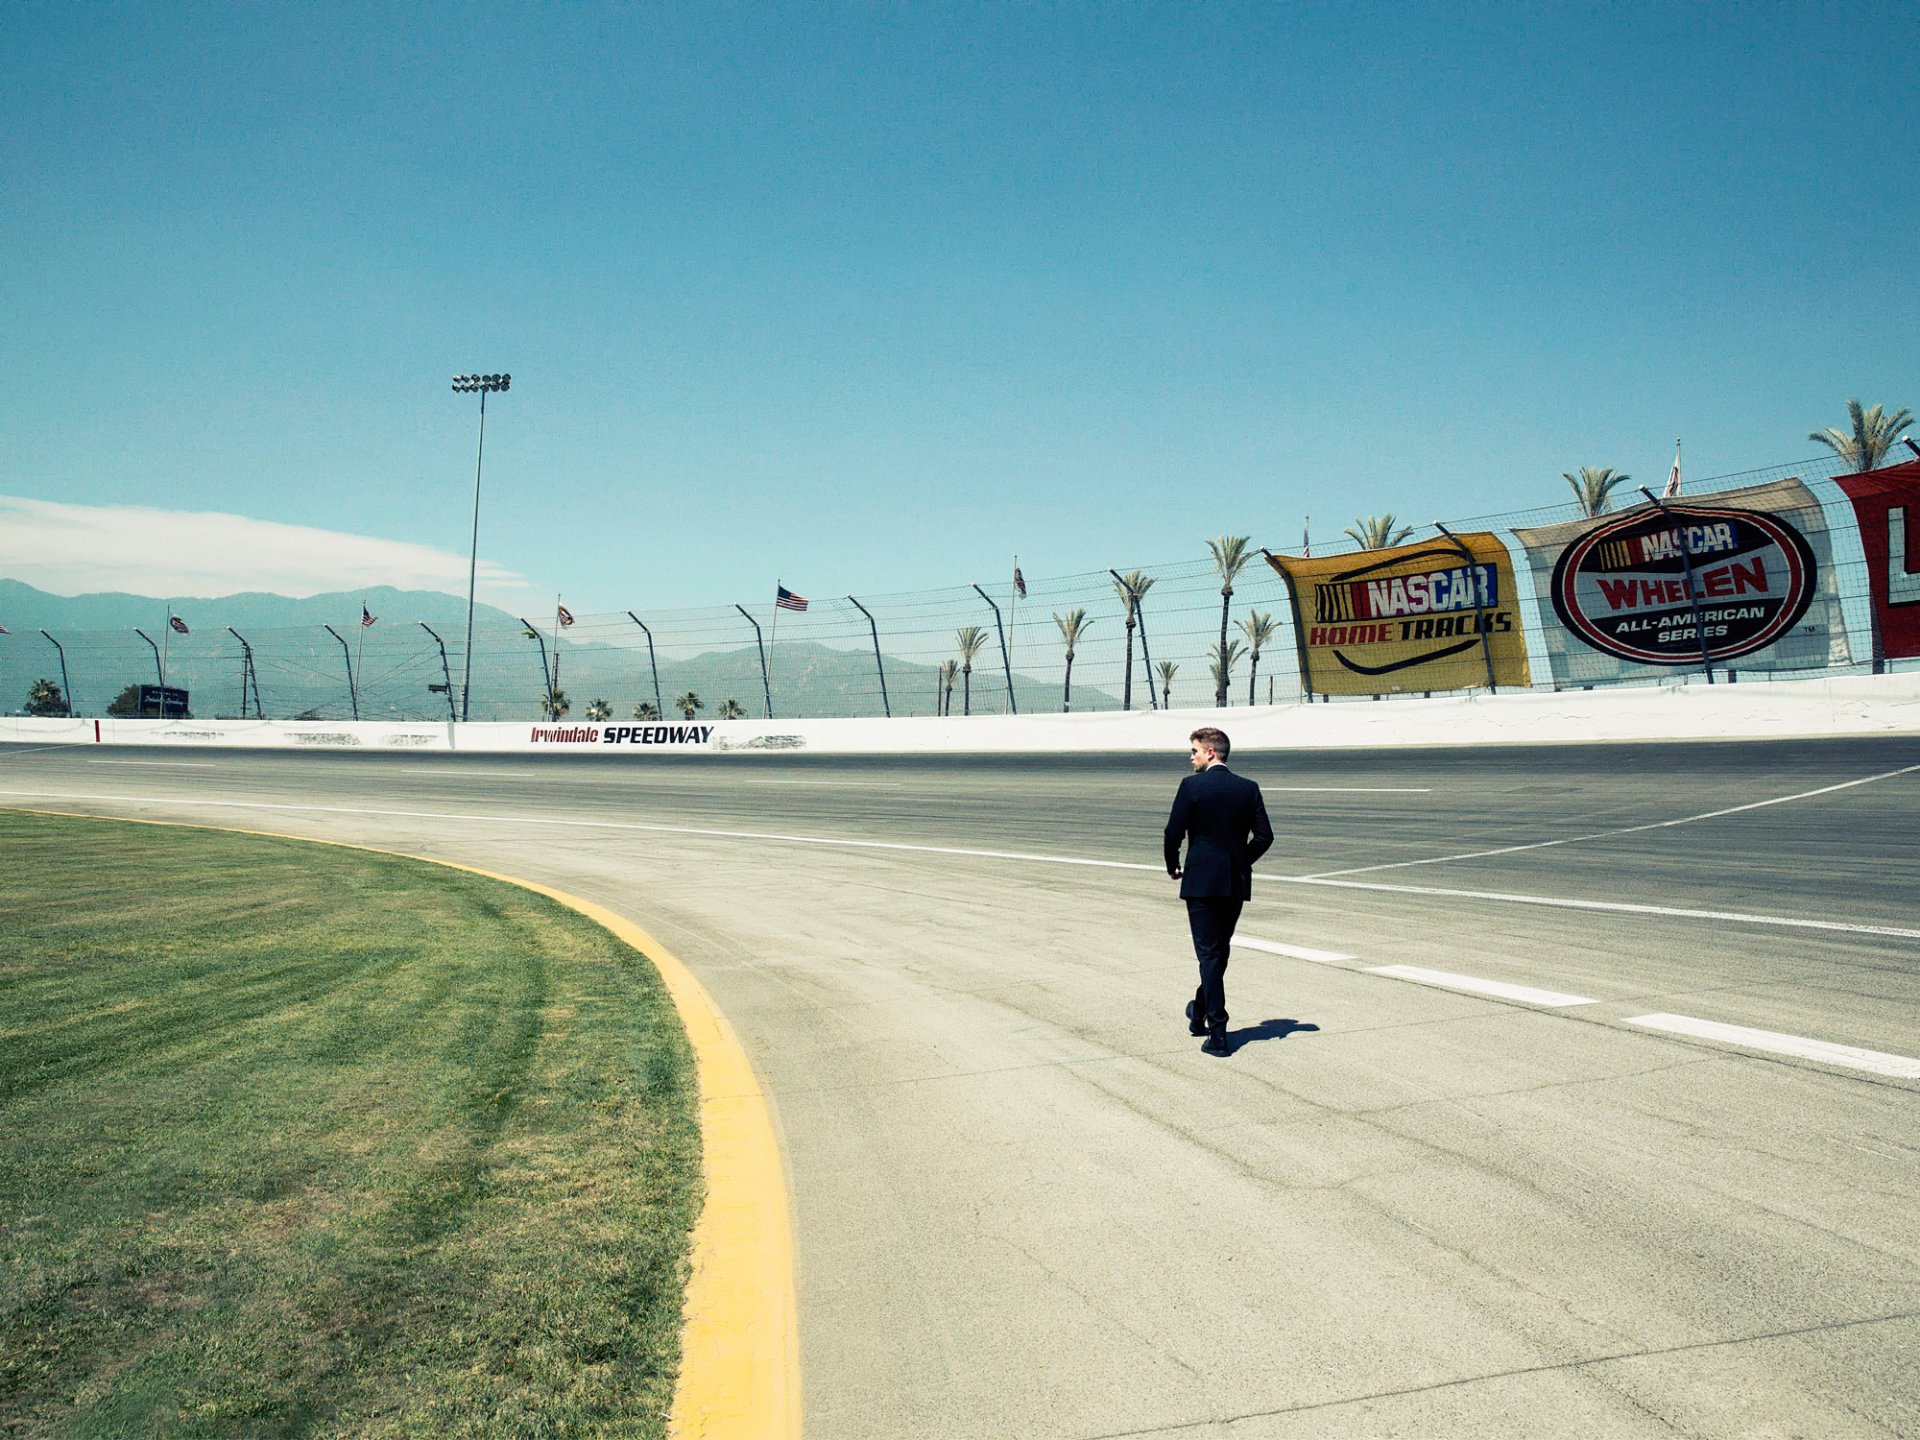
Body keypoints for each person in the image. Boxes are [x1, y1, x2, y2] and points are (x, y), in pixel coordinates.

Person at [1164, 726, 1273, 1057]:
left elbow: (1173, 833)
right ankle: (1199, 1010)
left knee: (1211, 955)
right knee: (1218, 953)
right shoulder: (1248, 788)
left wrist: (1173, 865)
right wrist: (1239, 862)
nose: (1191, 757)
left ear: (1210, 752)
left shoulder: (1192, 786)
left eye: (1194, 751)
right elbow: (1265, 837)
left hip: (1200, 882)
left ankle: (1219, 1031)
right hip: (1234, 883)